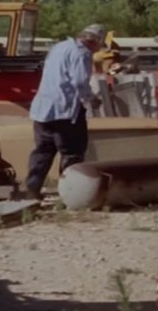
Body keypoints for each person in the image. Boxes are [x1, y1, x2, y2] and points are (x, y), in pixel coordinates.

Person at [22, 24, 105, 200]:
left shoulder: (59, 47)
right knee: (72, 153)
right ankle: (70, 194)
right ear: (95, 41)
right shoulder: (82, 53)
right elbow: (80, 82)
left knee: (42, 151)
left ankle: (32, 190)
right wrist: (92, 99)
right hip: (65, 111)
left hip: (43, 109)